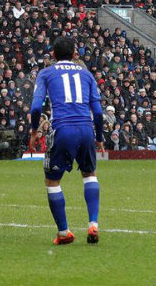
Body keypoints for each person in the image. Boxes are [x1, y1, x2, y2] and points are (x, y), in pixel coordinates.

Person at [29, 36, 103, 245]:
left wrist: (34, 131)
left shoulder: (46, 73)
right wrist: (99, 137)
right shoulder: (87, 74)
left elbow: (36, 107)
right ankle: (93, 224)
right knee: (89, 175)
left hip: (62, 129)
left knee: (52, 181)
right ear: (74, 55)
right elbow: (97, 112)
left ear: (53, 54)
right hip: (86, 128)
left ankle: (64, 232)